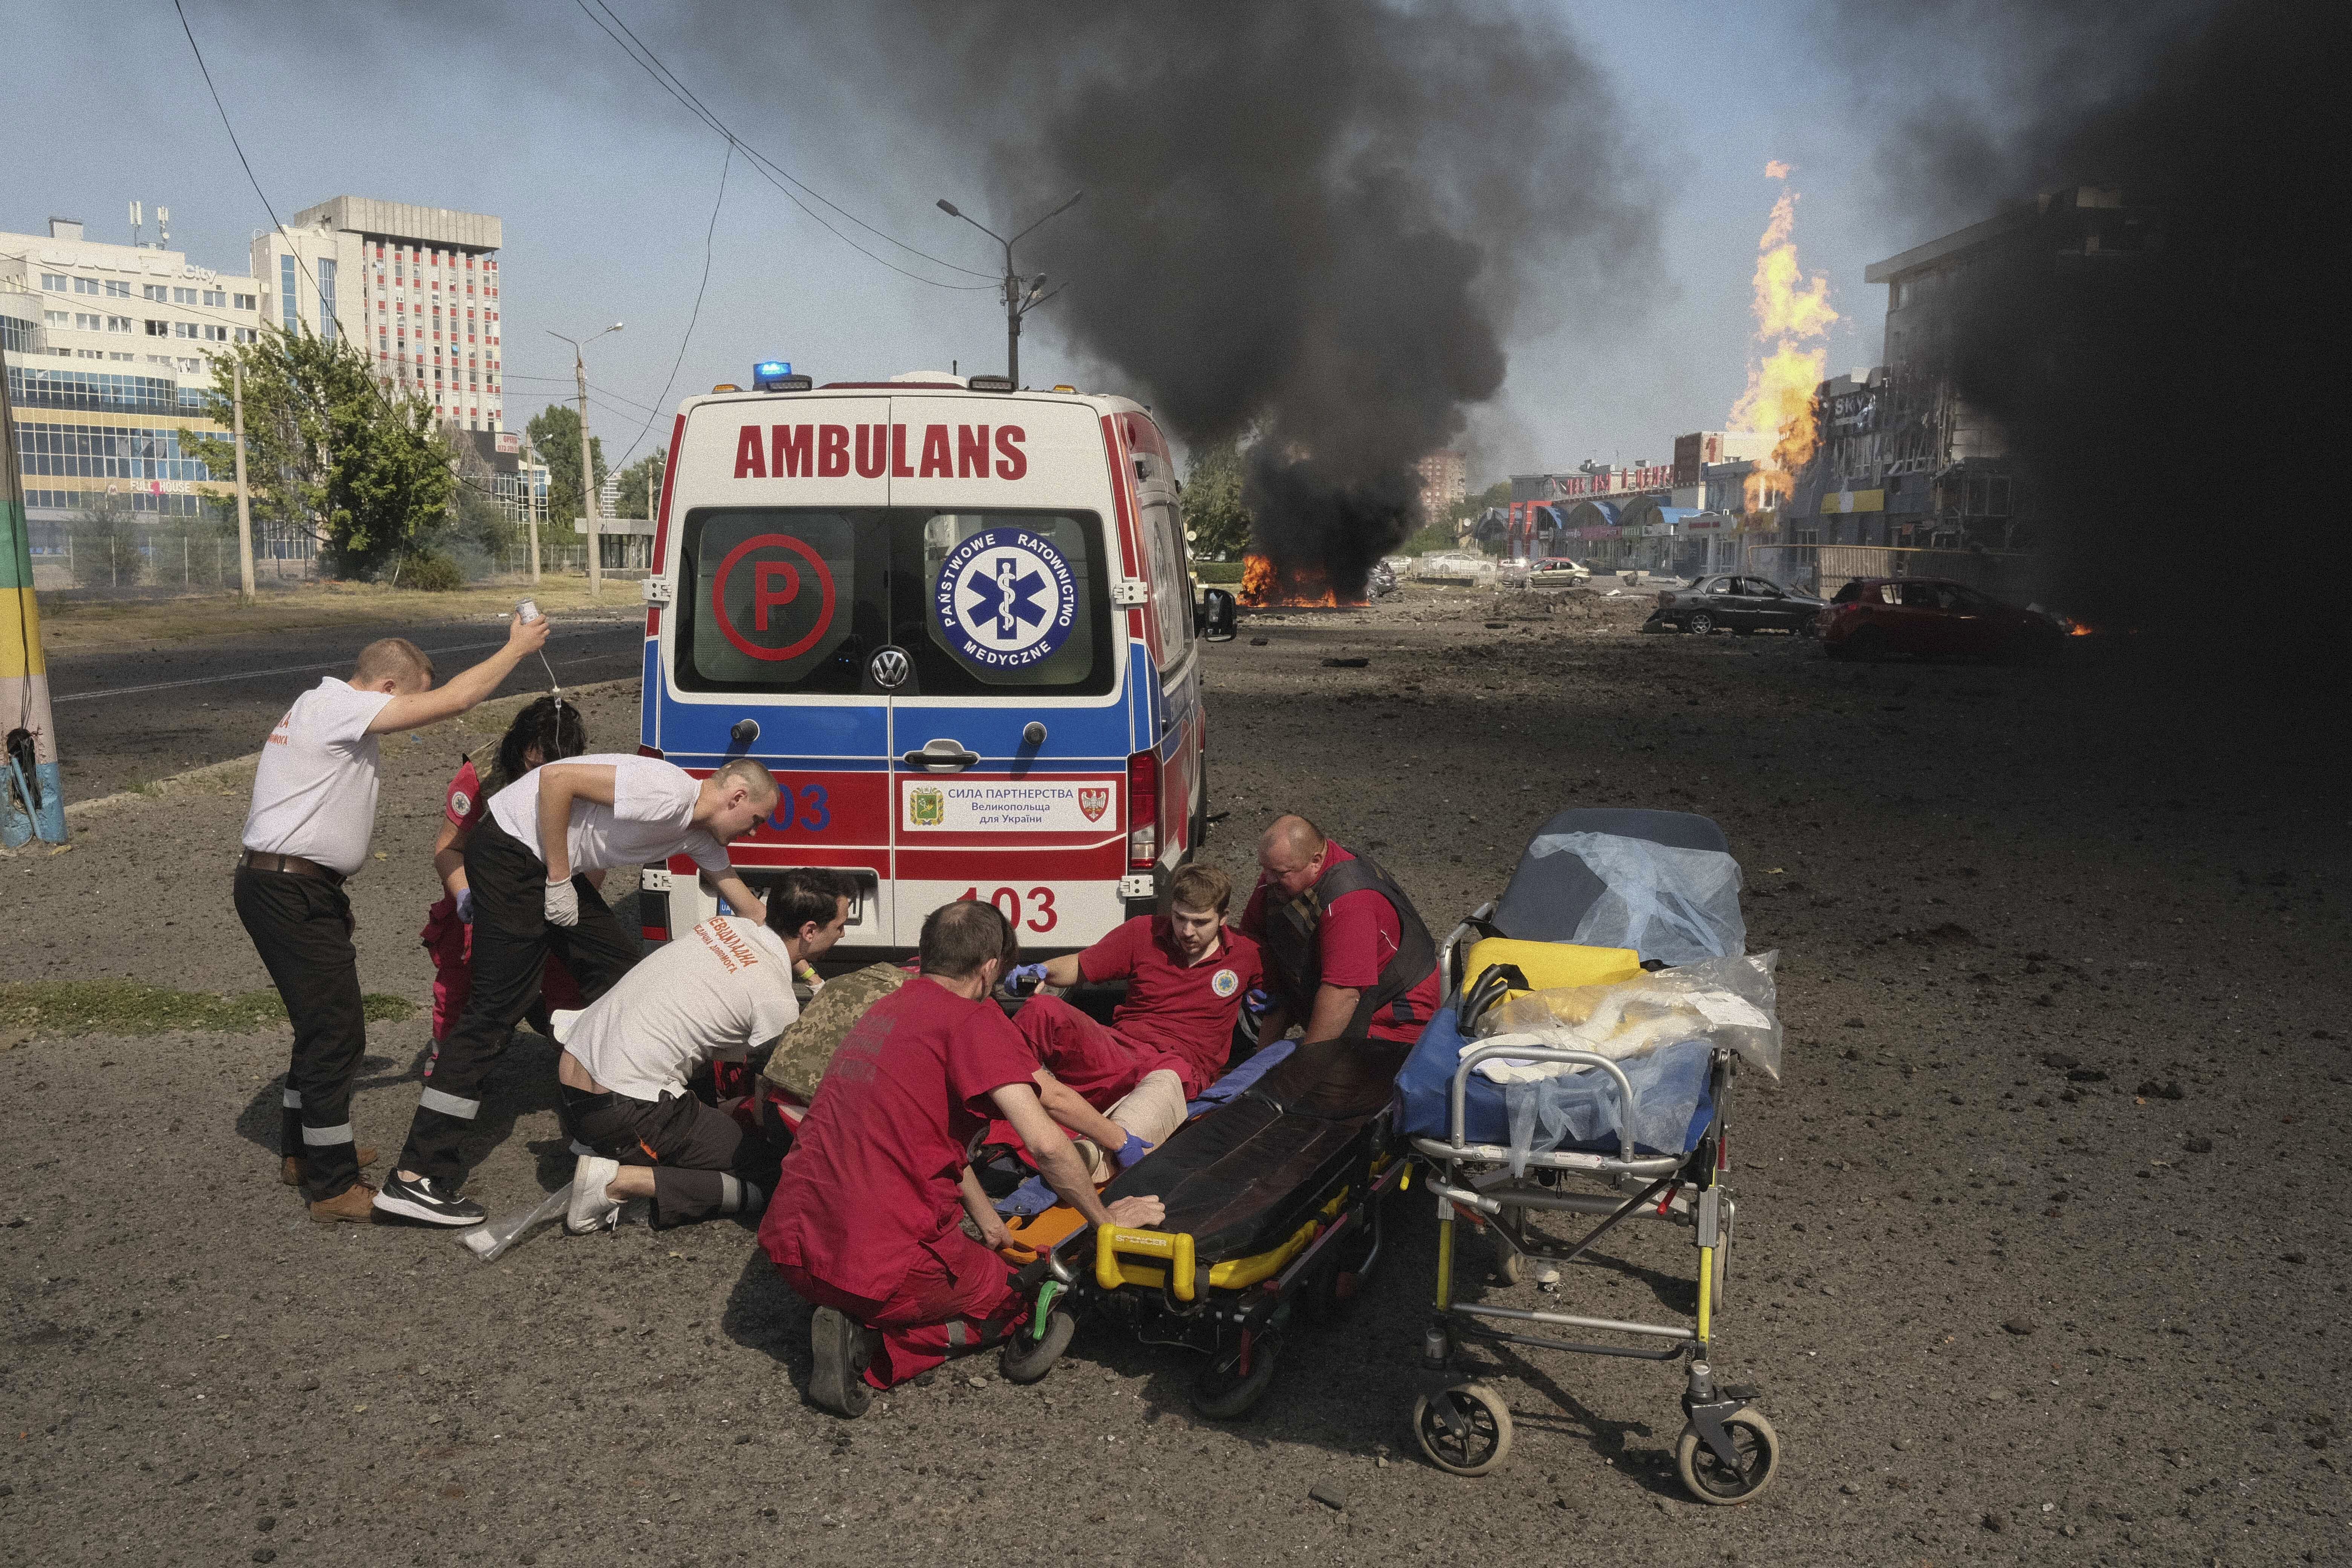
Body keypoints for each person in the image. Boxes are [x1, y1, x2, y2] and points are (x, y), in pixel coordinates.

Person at [759, 900, 1166, 1417]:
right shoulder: (973, 1021)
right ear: (991, 967)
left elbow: (932, 1136)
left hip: (792, 1248)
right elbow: (1045, 1142)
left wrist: (988, 1220)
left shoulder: (886, 1009)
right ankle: (869, 1350)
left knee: (957, 1253)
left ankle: (850, 1311)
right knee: (1012, 1302)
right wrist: (1108, 1224)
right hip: (876, 1267)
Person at [234, 617, 551, 1224]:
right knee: (337, 1032)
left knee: (321, 1026)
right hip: (286, 888)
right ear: (385, 688)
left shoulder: (316, 702)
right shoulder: (341, 708)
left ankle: (306, 1152)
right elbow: (456, 700)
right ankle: (332, 1188)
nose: (407, 719)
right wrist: (517, 647)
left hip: (297, 885)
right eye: (407, 701)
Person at [375, 753, 781, 1226]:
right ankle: (414, 1176)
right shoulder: (668, 791)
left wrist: (788, 947)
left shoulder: (694, 832)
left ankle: (611, 1117)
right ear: (735, 796)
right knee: (493, 1013)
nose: (756, 832)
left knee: (623, 974)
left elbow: (745, 902)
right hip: (514, 855)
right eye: (756, 820)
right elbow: (556, 778)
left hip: (545, 866)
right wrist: (560, 880)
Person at [556, 867, 857, 1233]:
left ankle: (624, 1146)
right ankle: (620, 1180)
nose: (842, 933)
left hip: (573, 1081)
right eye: (839, 925)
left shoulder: (725, 927)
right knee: (773, 1170)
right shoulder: (775, 1002)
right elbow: (770, 1108)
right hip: (619, 1111)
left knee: (706, 1095)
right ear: (810, 930)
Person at [1001, 863, 1263, 1167]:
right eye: (1180, 918)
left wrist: (1268, 1017)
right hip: (1120, 1051)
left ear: (1224, 919)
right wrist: (1043, 970)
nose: (1187, 931)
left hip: (1180, 1067)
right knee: (1042, 1009)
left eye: (1200, 922)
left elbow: (1286, 999)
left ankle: (1092, 1156)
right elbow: (1083, 965)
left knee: (1168, 1077)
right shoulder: (1143, 931)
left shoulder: (1248, 954)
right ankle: (988, 1113)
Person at [420, 695, 589, 1049]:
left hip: (550, 890)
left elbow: (595, 859)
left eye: (553, 768)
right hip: (484, 895)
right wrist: (465, 894)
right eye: (532, 765)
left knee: (569, 984)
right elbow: (448, 849)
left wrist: (565, 898)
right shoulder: (479, 777)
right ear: (517, 750)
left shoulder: (586, 778)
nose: (541, 777)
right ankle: (450, 1065)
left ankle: (575, 1069)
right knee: (460, 980)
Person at [1241, 814, 1440, 1047]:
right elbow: (1252, 946)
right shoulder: (1282, 873)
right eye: (1266, 870)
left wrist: (1307, 1065)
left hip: (1393, 1018)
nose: (1269, 880)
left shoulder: (1350, 901)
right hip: (1339, 992)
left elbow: (1342, 995)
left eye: (1281, 873)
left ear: (1316, 861)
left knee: (1325, 1073)